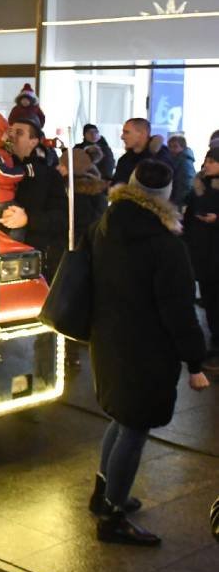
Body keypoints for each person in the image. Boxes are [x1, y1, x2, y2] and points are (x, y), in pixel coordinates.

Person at [88, 159, 210, 546]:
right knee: (135, 426)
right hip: (146, 349)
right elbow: (178, 310)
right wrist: (195, 361)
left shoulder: (104, 226)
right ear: (166, 196)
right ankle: (113, 516)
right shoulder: (166, 245)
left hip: (108, 338)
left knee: (120, 416)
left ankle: (105, 492)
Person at [0, 116, 68, 278]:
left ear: (33, 141)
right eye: (10, 131)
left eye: (19, 133)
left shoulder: (48, 175)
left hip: (28, 258)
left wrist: (28, 219)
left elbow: (61, 218)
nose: (12, 136)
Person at [183, 148, 219, 371]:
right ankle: (215, 342)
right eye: (207, 160)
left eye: (213, 161)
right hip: (202, 251)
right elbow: (189, 210)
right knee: (210, 299)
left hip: (214, 249)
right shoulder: (199, 185)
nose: (207, 165)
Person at [58, 147, 109, 238]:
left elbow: (78, 225)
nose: (58, 168)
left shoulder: (75, 192)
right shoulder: (95, 186)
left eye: (62, 165)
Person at [111, 118, 171, 185]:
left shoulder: (161, 159)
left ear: (142, 134)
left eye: (127, 132)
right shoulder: (124, 159)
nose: (122, 137)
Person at [165, 134, 195, 209]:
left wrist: (175, 203)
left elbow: (186, 185)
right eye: (170, 146)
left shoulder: (185, 162)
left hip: (180, 203)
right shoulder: (175, 160)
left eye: (175, 146)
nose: (172, 149)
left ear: (183, 147)